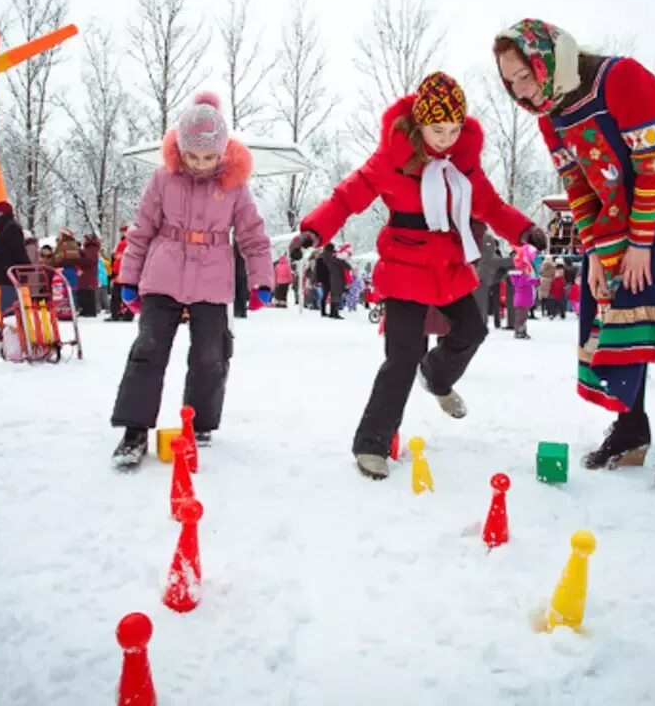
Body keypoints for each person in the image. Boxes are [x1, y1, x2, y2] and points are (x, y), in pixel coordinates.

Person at [494, 19, 655, 482]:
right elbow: (579, 184)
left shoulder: (621, 78)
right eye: (510, 81)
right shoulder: (550, 118)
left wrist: (640, 243)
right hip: (619, 200)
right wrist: (599, 251)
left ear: (550, 59)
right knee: (614, 300)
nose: (520, 89)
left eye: (526, 74)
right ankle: (631, 427)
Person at [289, 71, 542, 479]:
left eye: (455, 129)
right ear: (419, 123)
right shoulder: (392, 158)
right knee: (402, 354)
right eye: (438, 129)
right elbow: (347, 196)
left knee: (473, 331)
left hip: (448, 266)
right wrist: (314, 230)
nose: (446, 138)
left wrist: (525, 229)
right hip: (405, 267)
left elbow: (491, 207)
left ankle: (437, 377)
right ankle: (371, 444)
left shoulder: (463, 164)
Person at [109, 93, 272, 465]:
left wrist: (262, 279)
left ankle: (198, 424)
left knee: (210, 356)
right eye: (192, 156)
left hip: (212, 281)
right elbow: (141, 231)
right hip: (163, 274)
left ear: (223, 152)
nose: (200, 165)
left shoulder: (234, 186)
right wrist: (129, 279)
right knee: (148, 350)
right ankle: (134, 432)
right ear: (180, 149)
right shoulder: (163, 179)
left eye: (208, 157)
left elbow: (252, 235)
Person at [0, 200, 31, 317]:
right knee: (6, 302)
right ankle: (9, 328)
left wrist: (24, 268)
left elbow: (18, 250)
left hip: (9, 273)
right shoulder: (5, 227)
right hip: (6, 272)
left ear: (1, 213)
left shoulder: (11, 228)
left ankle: (12, 328)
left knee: (9, 304)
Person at [510, 244, 539, 339]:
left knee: (523, 317)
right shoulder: (520, 276)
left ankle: (522, 331)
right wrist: (535, 281)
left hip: (524, 300)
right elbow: (525, 282)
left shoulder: (522, 275)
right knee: (521, 317)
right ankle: (519, 332)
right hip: (522, 300)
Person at [75, 233, 100, 317]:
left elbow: (89, 261)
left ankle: (90, 311)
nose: (83, 240)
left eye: (85, 239)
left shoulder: (92, 248)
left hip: (88, 274)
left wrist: (78, 259)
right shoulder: (89, 248)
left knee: (88, 293)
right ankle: (86, 310)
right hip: (86, 274)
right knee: (84, 292)